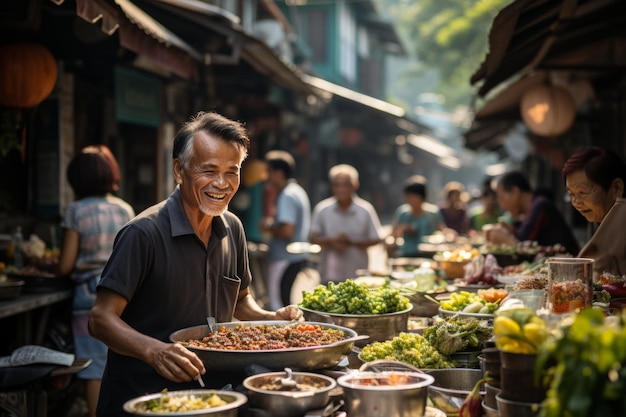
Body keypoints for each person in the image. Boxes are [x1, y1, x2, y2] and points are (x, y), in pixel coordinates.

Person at [88, 112, 302, 417]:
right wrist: (154, 351)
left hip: (212, 398)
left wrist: (271, 317)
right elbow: (100, 319)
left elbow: (240, 301)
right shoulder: (143, 233)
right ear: (179, 170)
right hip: (142, 398)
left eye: (232, 171)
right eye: (209, 170)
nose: (221, 183)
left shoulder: (233, 228)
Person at [53, 145, 135, 417]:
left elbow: (65, 264)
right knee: (118, 358)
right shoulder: (124, 210)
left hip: (88, 296)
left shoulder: (76, 210)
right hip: (122, 292)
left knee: (92, 367)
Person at [309, 164, 383, 282]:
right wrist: (332, 241)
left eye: (345, 185)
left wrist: (352, 243)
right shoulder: (322, 209)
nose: (341, 189)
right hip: (329, 273)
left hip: (357, 273)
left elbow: (376, 238)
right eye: (337, 185)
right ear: (332, 187)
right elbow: (313, 237)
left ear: (355, 185)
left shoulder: (365, 210)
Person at [259, 150, 311, 310]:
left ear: (279, 172)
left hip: (284, 257)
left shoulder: (287, 195)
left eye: (269, 171)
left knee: (278, 307)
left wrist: (268, 227)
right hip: (294, 256)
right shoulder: (297, 191)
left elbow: (287, 231)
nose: (266, 176)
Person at [562, 146, 626, 275]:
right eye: (572, 194)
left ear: (616, 188)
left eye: (583, 192)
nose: (576, 202)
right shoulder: (598, 218)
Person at [485, 171, 580, 255]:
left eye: (501, 198)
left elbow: (525, 250)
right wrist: (510, 230)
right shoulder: (532, 208)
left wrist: (506, 240)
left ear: (515, 192)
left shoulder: (540, 205)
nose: (502, 206)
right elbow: (524, 237)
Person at [388, 175, 444, 258]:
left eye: (413, 196)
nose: (409, 200)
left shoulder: (432, 213)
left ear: (422, 197)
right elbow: (392, 235)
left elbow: (441, 231)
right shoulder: (402, 213)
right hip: (407, 255)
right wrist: (401, 230)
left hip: (429, 256)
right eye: (408, 196)